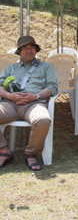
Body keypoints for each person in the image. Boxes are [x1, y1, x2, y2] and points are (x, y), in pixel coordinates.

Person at [0, 36, 58, 171]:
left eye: (32, 47)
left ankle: (31, 153)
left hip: (35, 104)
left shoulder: (46, 67)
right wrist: (10, 95)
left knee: (43, 120)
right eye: (25, 48)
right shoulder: (10, 68)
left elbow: (53, 88)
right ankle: (3, 150)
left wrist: (35, 96)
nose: (29, 50)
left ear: (36, 50)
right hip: (11, 104)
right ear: (19, 52)